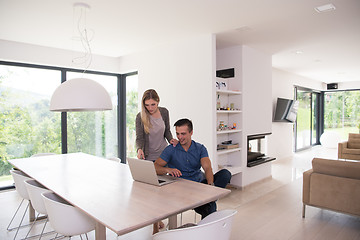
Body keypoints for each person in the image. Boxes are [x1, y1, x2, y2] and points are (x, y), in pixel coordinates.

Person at [154, 118, 231, 219]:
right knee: (210, 207)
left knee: (225, 174)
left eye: (183, 134)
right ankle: (207, 204)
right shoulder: (171, 149)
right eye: (177, 134)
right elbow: (155, 167)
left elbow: (207, 168)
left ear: (191, 133)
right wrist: (168, 170)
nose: (180, 137)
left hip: (199, 186)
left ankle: (208, 199)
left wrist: (211, 188)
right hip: (181, 190)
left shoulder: (200, 148)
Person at [135, 89, 178, 233]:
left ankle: (164, 218)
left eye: (153, 104)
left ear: (158, 101)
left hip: (164, 155)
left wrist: (171, 138)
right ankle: (155, 226)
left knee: (164, 191)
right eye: (147, 105)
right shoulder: (140, 117)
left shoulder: (164, 112)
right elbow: (139, 138)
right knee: (152, 193)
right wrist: (139, 149)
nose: (150, 108)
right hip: (148, 156)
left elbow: (166, 130)